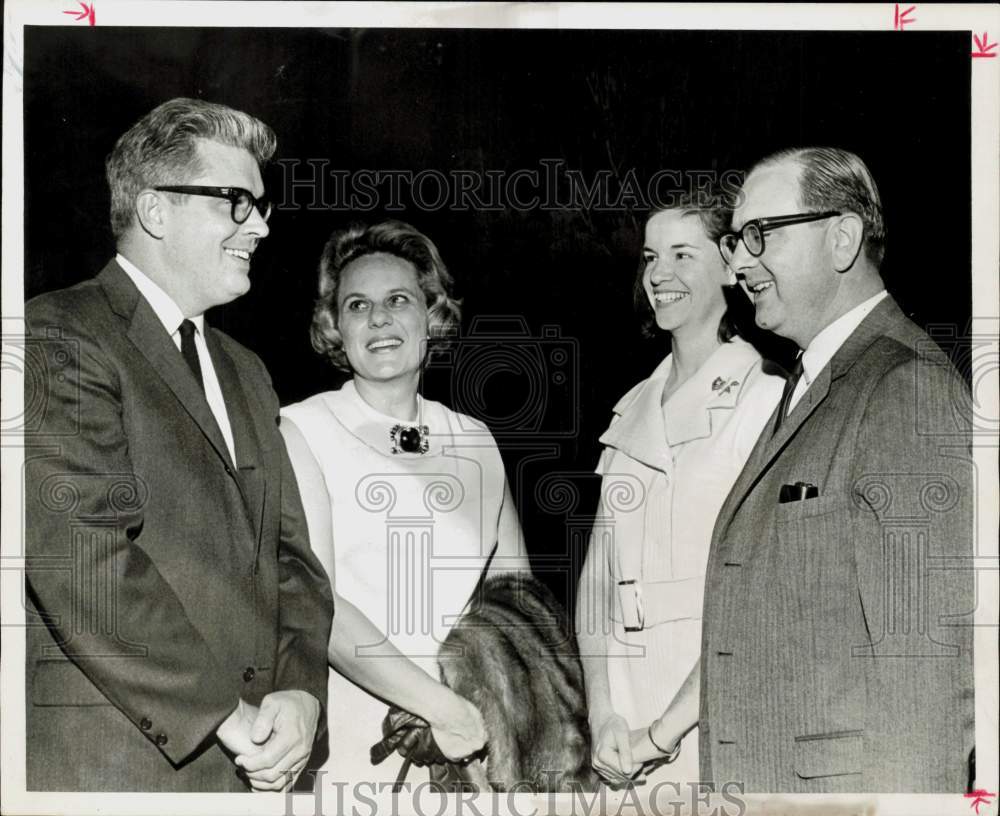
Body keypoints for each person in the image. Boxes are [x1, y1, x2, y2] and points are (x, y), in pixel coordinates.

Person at [23, 98, 334, 792]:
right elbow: (80, 556)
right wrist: (224, 714)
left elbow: (292, 562)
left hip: (245, 772)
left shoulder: (246, 370)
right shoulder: (57, 335)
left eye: (260, 205)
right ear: (155, 211)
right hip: (110, 769)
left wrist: (300, 692)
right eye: (235, 201)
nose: (259, 224)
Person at [701, 147, 974, 791]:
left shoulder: (904, 388)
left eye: (759, 235)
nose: (739, 262)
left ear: (842, 237)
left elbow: (929, 676)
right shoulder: (813, 380)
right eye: (736, 240)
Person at [279, 220, 531, 787]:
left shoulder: (474, 438)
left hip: (477, 738)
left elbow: (516, 602)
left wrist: (497, 716)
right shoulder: (302, 429)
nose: (378, 319)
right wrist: (442, 708)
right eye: (357, 305)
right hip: (354, 732)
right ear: (334, 326)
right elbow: (321, 603)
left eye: (398, 300)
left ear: (431, 313)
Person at [575, 193, 784, 789]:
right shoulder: (632, 404)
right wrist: (602, 712)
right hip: (621, 705)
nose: (658, 275)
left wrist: (664, 731)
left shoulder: (766, 397)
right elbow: (597, 581)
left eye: (681, 255)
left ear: (730, 264)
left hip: (718, 694)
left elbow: (761, 597)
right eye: (649, 257)